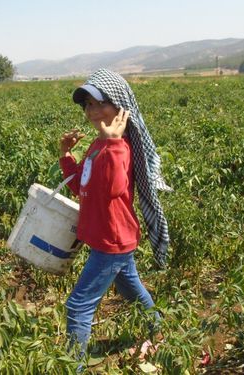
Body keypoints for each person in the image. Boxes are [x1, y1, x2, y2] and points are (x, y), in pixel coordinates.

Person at [58, 69, 170, 363]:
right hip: (109, 238)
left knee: (78, 305)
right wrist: (66, 155)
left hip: (112, 241)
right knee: (130, 288)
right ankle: (157, 330)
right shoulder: (99, 145)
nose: (93, 111)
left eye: (99, 103)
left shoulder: (121, 148)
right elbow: (80, 186)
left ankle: (74, 367)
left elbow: (113, 188)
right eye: (88, 105)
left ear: (120, 107)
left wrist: (112, 144)